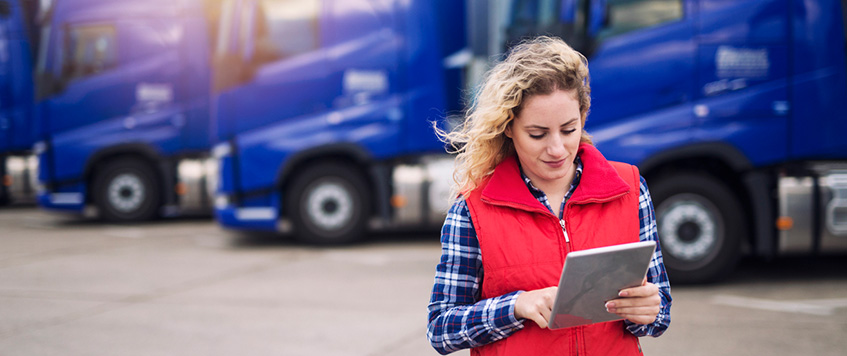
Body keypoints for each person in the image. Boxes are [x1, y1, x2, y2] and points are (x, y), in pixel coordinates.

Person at [427, 36, 671, 355]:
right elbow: (442, 329)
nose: (557, 149)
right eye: (537, 134)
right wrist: (517, 306)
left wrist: (648, 312)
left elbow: (659, 312)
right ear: (508, 128)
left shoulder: (630, 188)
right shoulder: (472, 209)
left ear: (583, 116)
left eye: (569, 130)